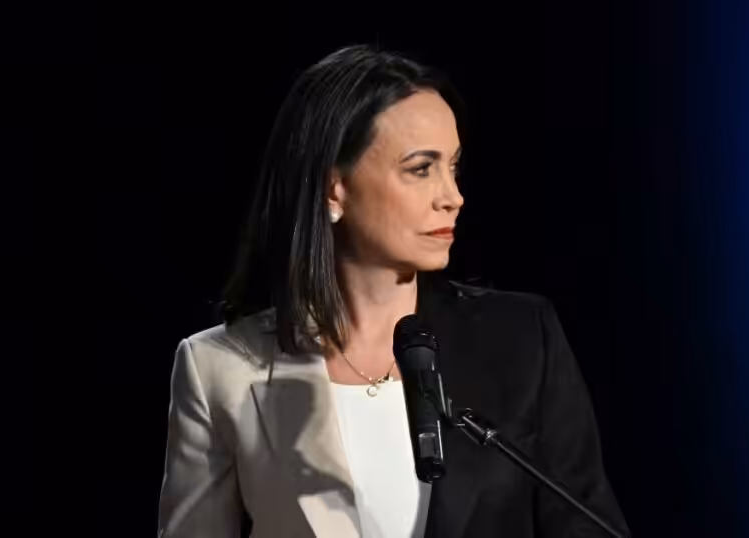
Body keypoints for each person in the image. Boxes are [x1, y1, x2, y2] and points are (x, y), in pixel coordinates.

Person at [156, 44, 629, 538]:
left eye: (454, 167)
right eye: (421, 169)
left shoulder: (523, 340)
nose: (453, 197)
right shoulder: (218, 367)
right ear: (333, 188)